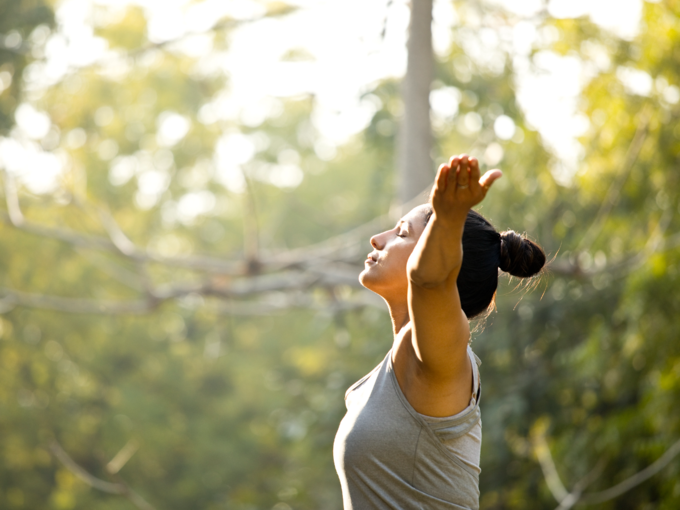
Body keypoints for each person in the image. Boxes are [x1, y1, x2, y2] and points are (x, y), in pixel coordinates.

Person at [333, 154, 546, 509]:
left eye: (401, 232)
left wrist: (448, 219)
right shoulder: (390, 369)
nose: (377, 239)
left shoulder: (443, 362)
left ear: (443, 258)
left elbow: (429, 281)